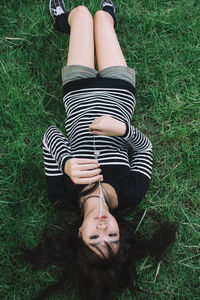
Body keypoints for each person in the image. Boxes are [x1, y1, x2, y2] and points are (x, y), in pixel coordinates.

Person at [21, 1, 176, 300]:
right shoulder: (131, 192)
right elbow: (145, 148)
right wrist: (122, 130)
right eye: (113, 236)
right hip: (119, 91)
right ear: (123, 234)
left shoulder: (63, 193)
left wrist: (65, 162)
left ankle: (63, 22)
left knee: (80, 13)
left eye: (95, 237)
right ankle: (107, 15)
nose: (104, 227)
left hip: (77, 88)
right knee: (103, 19)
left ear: (79, 235)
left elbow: (50, 135)